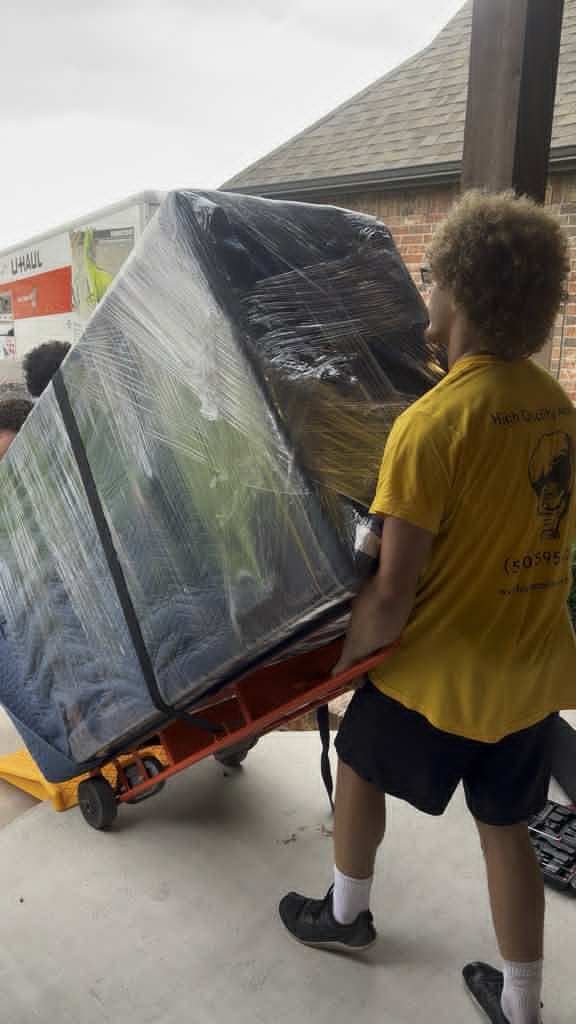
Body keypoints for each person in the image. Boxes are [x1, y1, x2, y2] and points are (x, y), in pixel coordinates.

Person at [279, 192, 576, 1024]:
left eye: (430, 276)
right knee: (507, 827)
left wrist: (338, 672)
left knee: (364, 771)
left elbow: (392, 591)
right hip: (528, 675)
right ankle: (521, 1006)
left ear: (463, 294)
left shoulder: (430, 424)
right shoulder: (556, 408)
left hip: (439, 680)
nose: (425, 291)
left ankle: (345, 914)